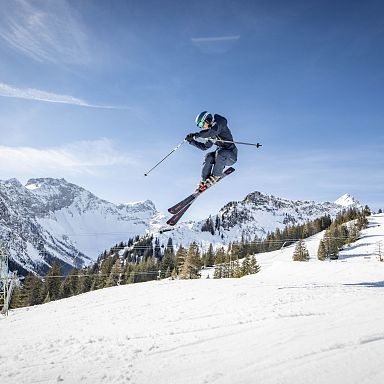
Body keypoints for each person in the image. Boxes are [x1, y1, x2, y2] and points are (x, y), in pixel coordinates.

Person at [185, 111, 238, 190]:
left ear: (207, 120)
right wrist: (191, 141)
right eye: (199, 126)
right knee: (209, 156)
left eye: (201, 124)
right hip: (220, 157)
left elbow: (214, 130)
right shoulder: (211, 135)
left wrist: (197, 135)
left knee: (220, 152)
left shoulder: (220, 122)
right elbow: (204, 147)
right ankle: (204, 180)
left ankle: (216, 176)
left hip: (231, 156)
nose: (201, 127)